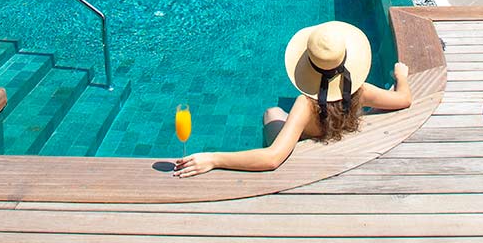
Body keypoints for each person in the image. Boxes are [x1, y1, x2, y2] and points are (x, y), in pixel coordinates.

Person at [174, 20, 412, 178]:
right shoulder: (361, 91)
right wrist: (401, 77)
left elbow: (272, 158)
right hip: (340, 130)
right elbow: (403, 99)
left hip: (310, 141)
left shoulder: (306, 104)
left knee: (272, 113)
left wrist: (214, 158)